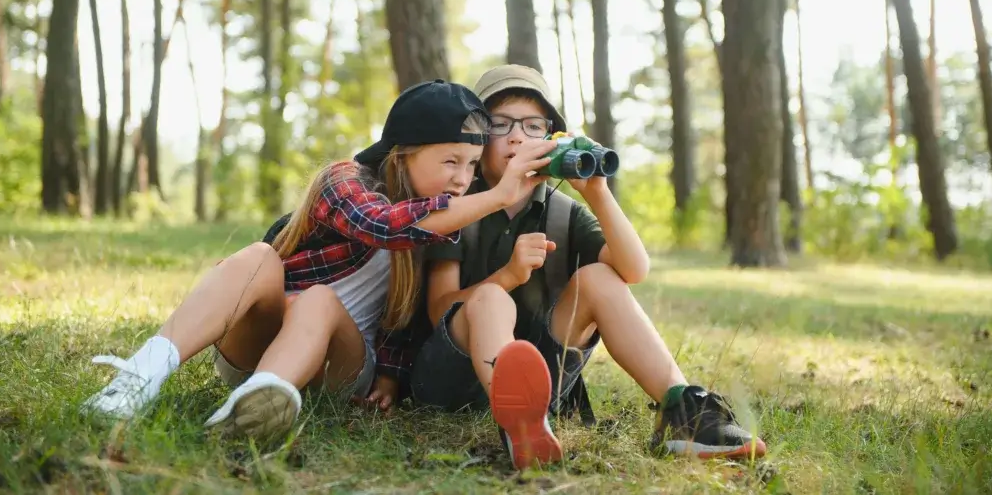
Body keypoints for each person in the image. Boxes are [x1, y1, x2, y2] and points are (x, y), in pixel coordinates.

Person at [81, 79, 559, 442]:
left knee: (320, 301)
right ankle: (141, 376)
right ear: (402, 155)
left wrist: (391, 374)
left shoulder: (444, 221)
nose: (463, 179)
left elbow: (406, 318)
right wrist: (496, 195)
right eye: (451, 162)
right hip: (257, 339)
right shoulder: (344, 181)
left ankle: (262, 402)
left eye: (472, 166)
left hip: (339, 365)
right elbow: (384, 225)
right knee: (260, 257)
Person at [409, 65, 767, 470]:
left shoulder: (563, 213)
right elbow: (440, 310)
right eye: (499, 124)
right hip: (451, 379)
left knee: (599, 276)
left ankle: (681, 410)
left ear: (550, 138)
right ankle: (516, 424)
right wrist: (507, 276)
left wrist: (597, 194)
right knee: (491, 297)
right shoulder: (458, 203)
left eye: (532, 126)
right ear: (474, 136)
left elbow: (634, 270)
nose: (516, 136)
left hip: (544, 389)